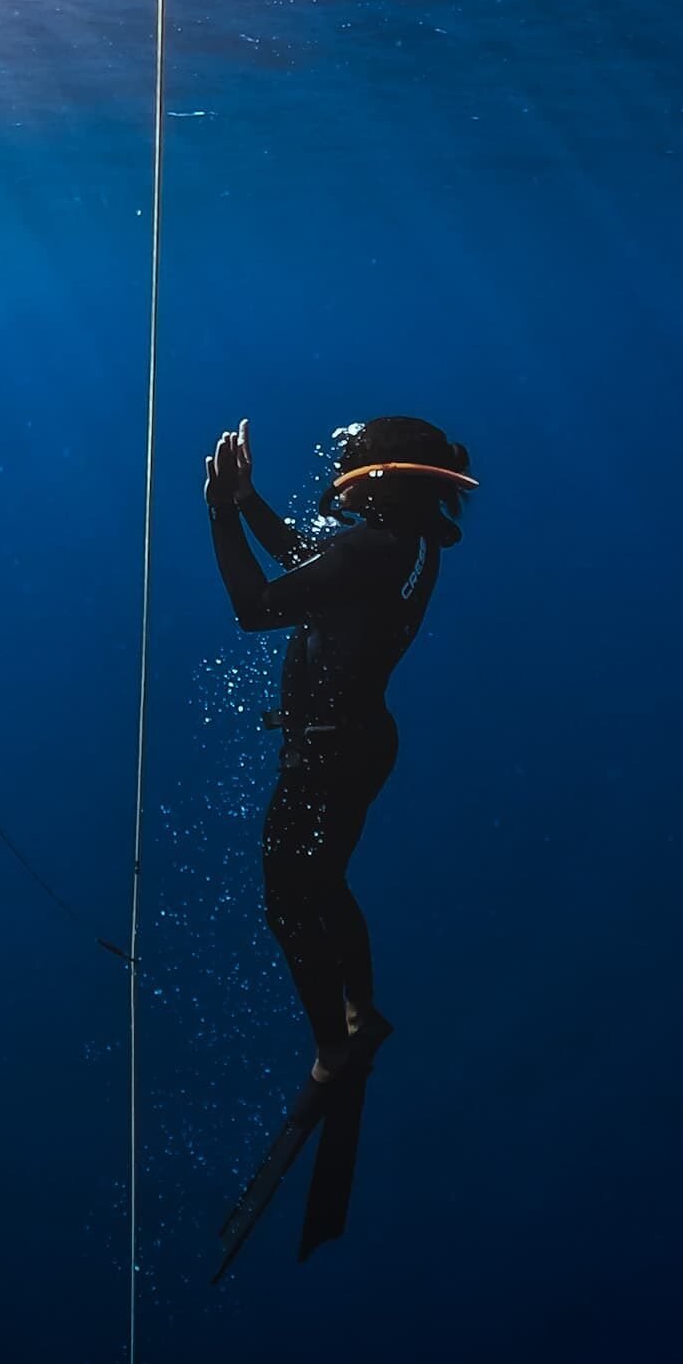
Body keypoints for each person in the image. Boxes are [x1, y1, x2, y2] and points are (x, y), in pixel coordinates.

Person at [205, 415, 476, 1083]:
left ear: (378, 480)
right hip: (361, 744)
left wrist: (217, 513)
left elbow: (255, 608)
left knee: (288, 903)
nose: (335, 475)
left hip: (325, 759)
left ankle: (331, 1050)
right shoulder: (407, 543)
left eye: (347, 462)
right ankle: (359, 1006)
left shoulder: (370, 550)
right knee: (324, 885)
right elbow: (313, 566)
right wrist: (246, 501)